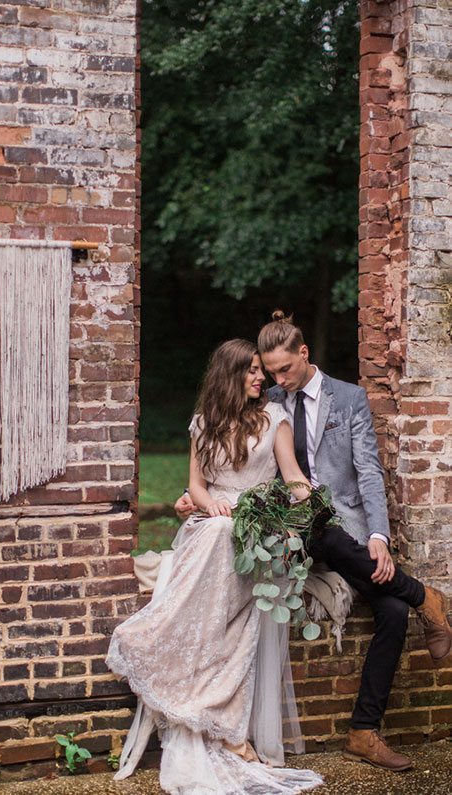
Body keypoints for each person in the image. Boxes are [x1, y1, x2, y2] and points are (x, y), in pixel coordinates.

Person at [175, 311, 452, 772]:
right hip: (296, 525)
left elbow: (367, 472)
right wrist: (191, 498)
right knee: (320, 530)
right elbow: (233, 465)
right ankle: (427, 596)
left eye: (283, 370)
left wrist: (379, 535)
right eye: (269, 372)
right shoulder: (268, 404)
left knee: (392, 612)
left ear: (304, 354)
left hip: (346, 527)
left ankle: (364, 732)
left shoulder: (348, 399)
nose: (276, 380)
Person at [107, 339, 323, 794]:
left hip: (258, 529)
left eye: (261, 371)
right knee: (219, 531)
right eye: (250, 370)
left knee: (229, 537)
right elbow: (196, 486)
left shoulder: (275, 421)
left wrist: (304, 507)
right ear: (229, 374)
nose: (259, 377)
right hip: (213, 522)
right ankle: (153, 637)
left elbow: (293, 479)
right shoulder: (203, 424)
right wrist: (216, 506)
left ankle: (193, 674)